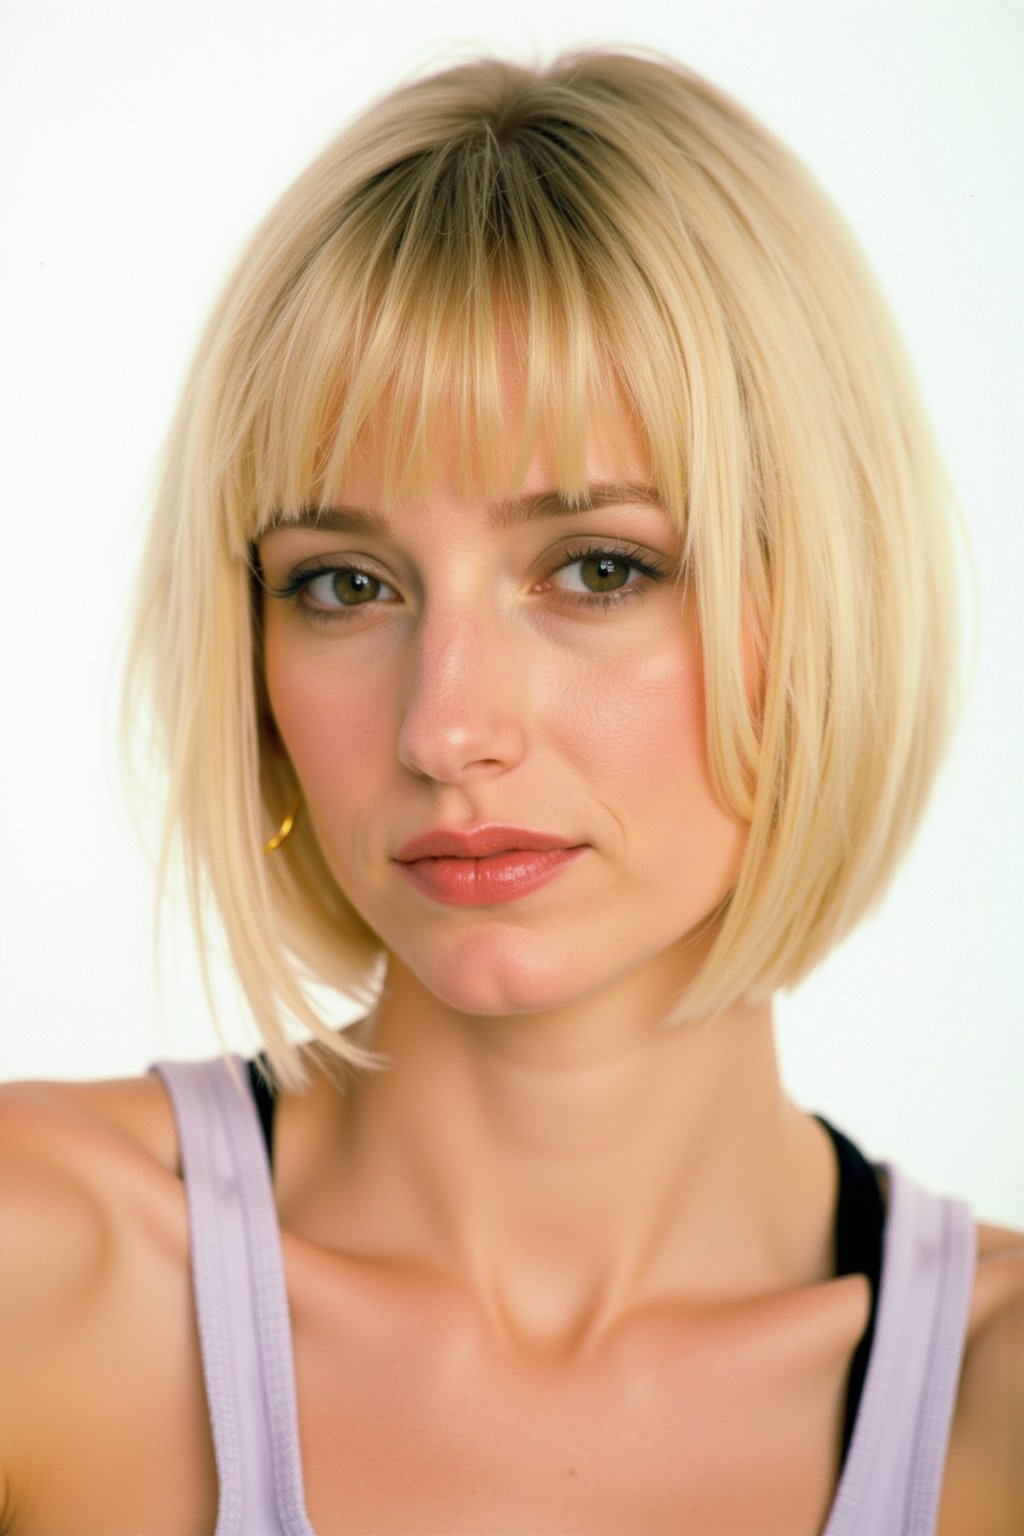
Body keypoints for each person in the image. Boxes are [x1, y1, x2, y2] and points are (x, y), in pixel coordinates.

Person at [0, 48, 1020, 1536]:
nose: (446, 725)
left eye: (600, 567)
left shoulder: (993, 1410)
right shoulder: (44, 1273)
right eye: (344, 584)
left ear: (822, 604)